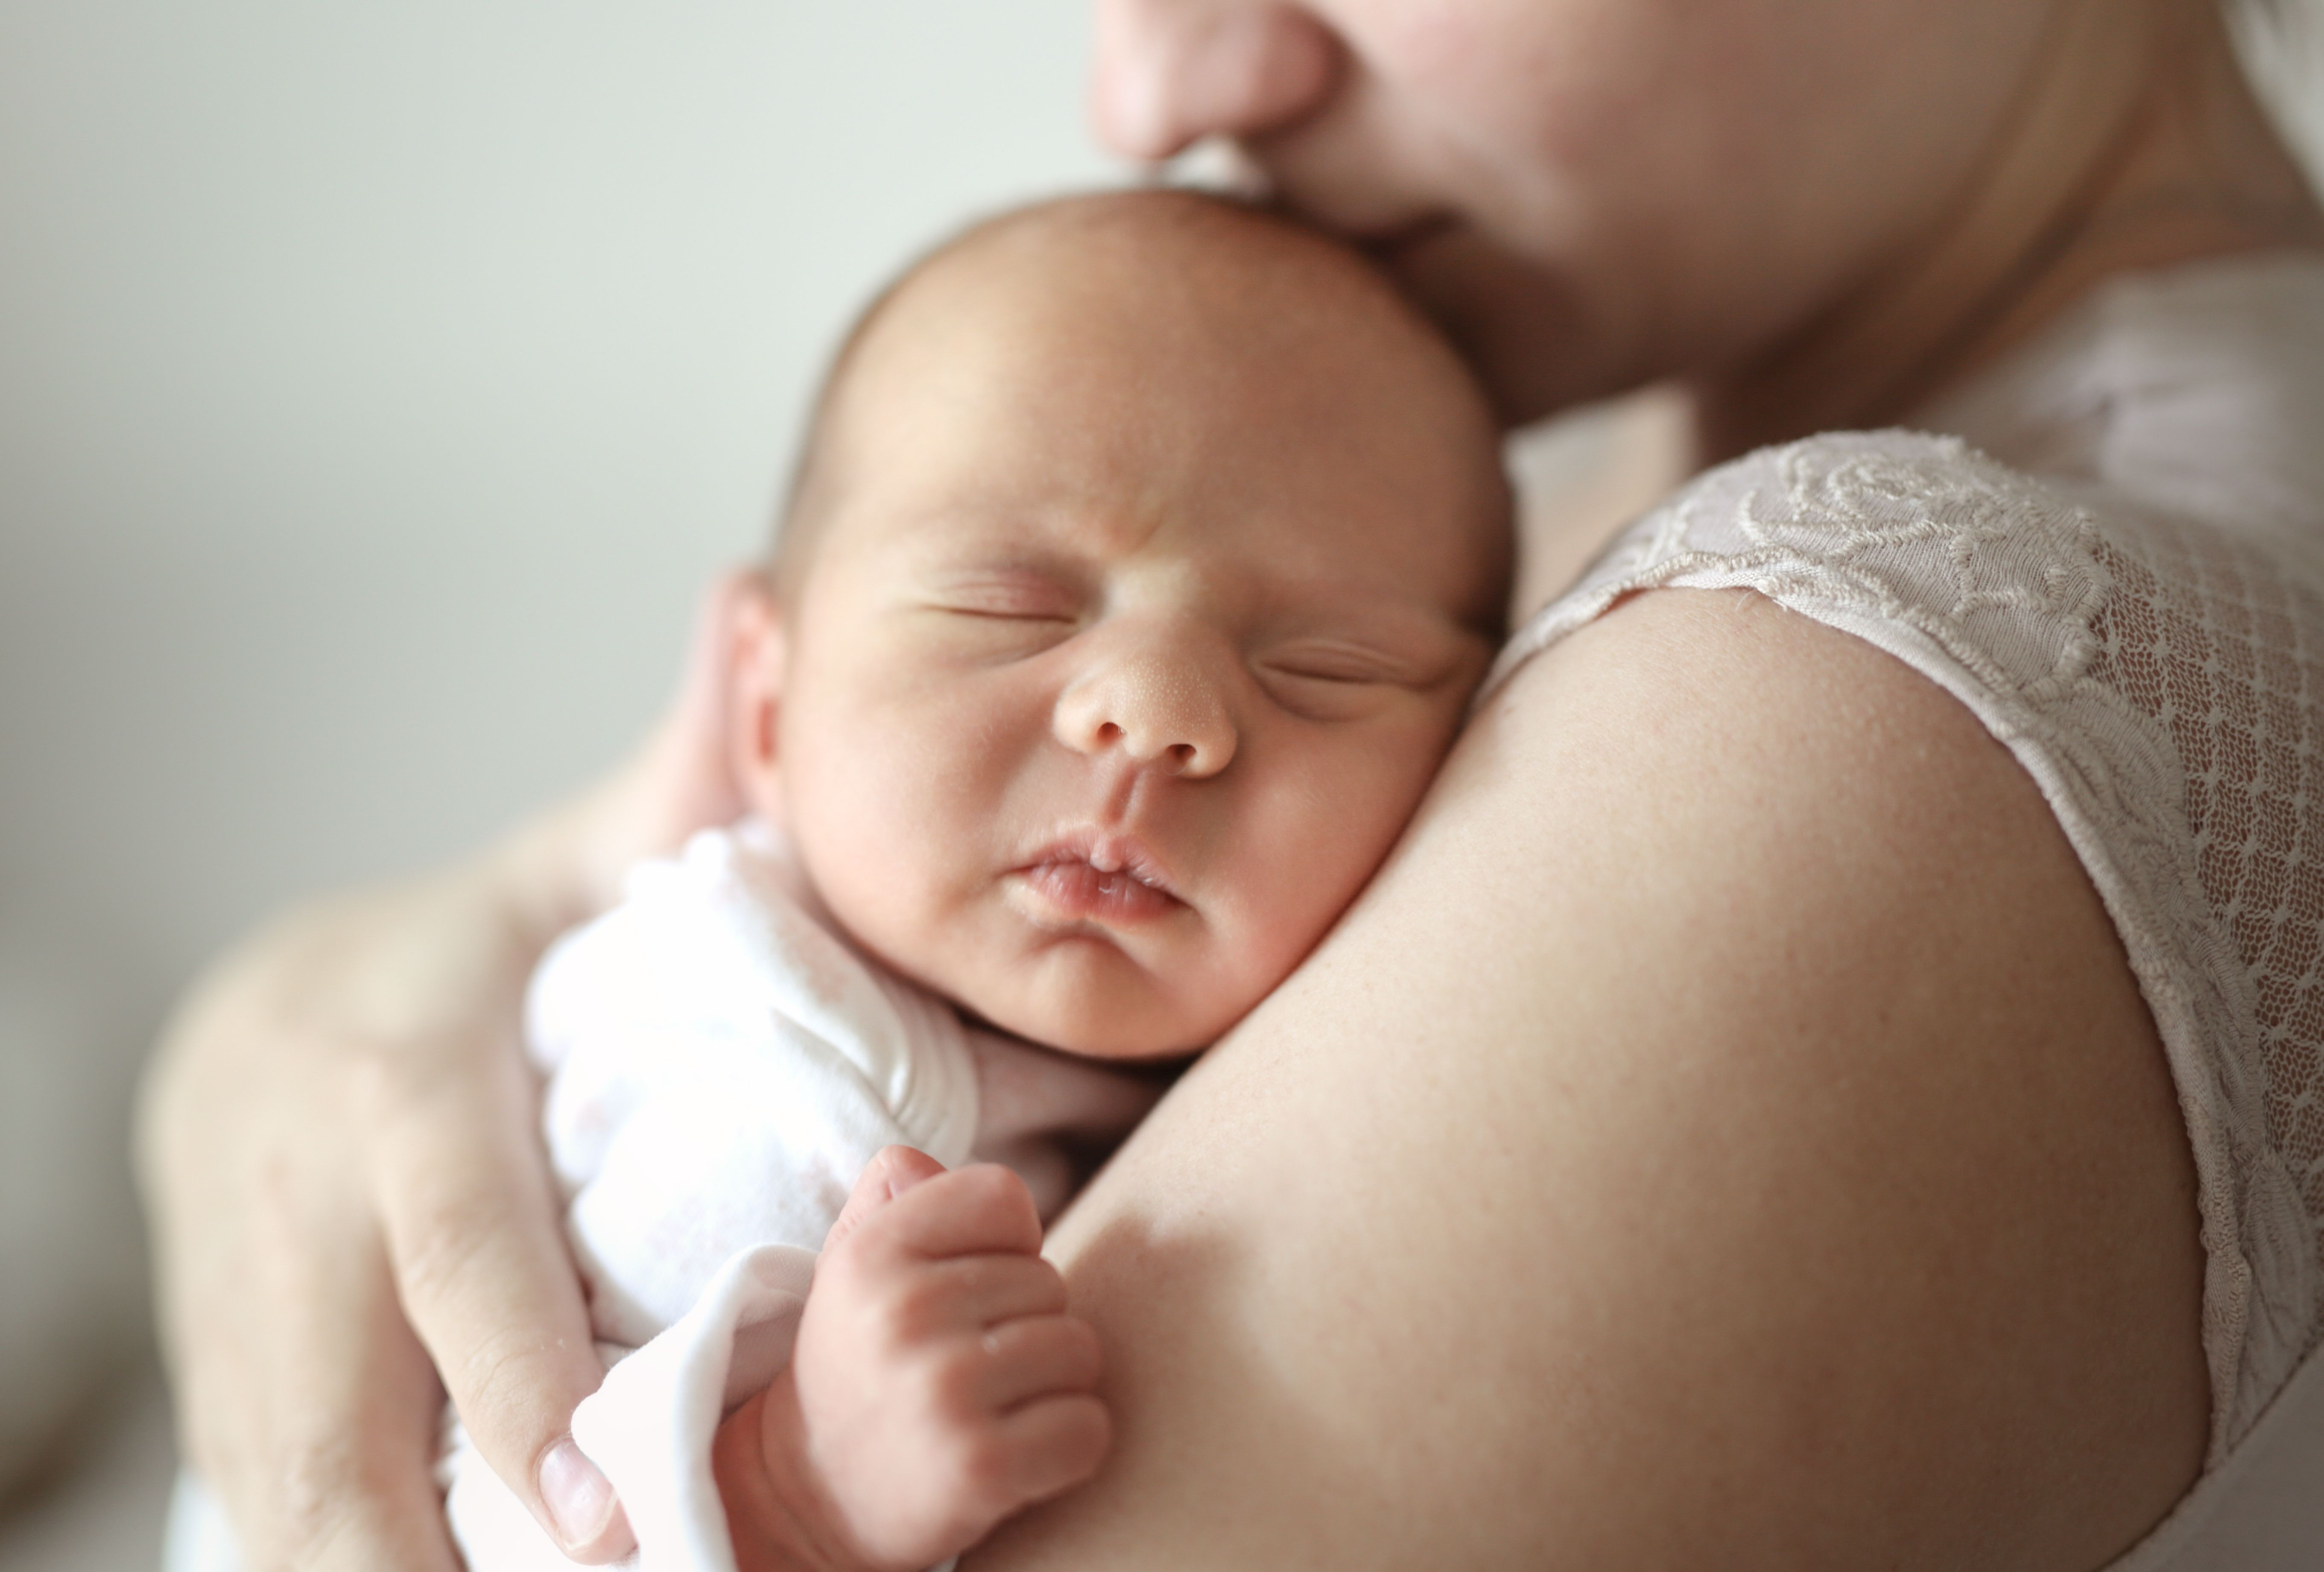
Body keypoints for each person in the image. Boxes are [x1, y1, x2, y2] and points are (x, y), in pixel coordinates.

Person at [137, 0, 2324, 1568]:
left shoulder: (1868, 718)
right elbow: (518, 936)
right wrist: (287, 1021)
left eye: (1316, 669)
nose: (1162, 82)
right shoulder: (1515, 493)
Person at [162, 190, 1513, 1572]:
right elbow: (458, 1503)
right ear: (763, 709)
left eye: (1326, 671)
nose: (1154, 707)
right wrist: (788, 1490)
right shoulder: (780, 1070)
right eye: (1010, 607)